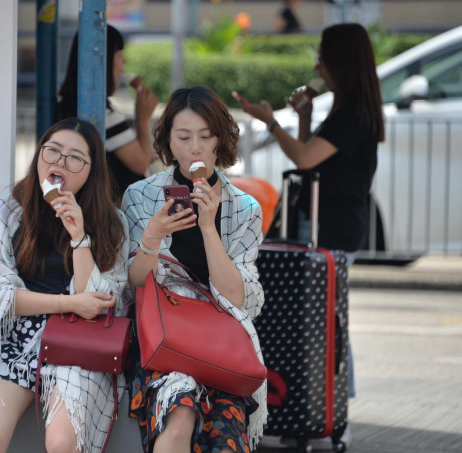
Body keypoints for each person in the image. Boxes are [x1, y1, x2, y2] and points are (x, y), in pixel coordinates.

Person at [0, 118, 130, 453]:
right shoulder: (9, 210)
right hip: (17, 336)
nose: (59, 163)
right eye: (52, 151)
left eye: (74, 158)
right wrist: (67, 303)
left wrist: (79, 235)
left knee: (62, 444)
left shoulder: (111, 223)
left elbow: (99, 300)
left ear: (91, 170)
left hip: (78, 343)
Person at [234, 22, 385, 443]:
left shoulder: (354, 113)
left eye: (322, 57)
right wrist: (302, 118)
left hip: (332, 229)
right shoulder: (346, 108)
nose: (317, 65)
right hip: (322, 224)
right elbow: (311, 161)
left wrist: (270, 122)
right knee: (319, 319)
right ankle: (316, 406)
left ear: (339, 63)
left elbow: (302, 157)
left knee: (328, 322)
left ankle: (335, 408)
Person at [121, 86, 267, 453]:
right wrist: (152, 236)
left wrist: (207, 226)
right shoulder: (140, 196)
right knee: (178, 415)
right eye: (184, 137)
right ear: (168, 141)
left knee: (226, 438)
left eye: (205, 136)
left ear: (221, 139)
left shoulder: (245, 207)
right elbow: (133, 284)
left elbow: (240, 298)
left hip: (219, 341)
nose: (195, 148)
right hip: (163, 340)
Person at [57, 24, 159, 204]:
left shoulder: (68, 105)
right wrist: (142, 118)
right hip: (113, 208)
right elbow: (140, 162)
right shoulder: (99, 112)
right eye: (120, 54)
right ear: (104, 60)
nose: (124, 63)